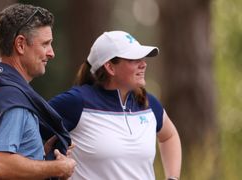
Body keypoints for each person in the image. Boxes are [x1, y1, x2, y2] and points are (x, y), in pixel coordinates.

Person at [46, 31, 182, 180]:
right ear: (110, 67)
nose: (143, 64)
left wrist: (172, 178)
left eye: (142, 58)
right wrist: (51, 165)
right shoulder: (76, 102)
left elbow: (169, 136)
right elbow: (27, 133)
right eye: (134, 59)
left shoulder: (148, 103)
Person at [0, 4, 76, 180]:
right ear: (21, 45)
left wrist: (38, 151)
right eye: (45, 44)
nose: (51, 53)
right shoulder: (12, 101)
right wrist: (57, 167)